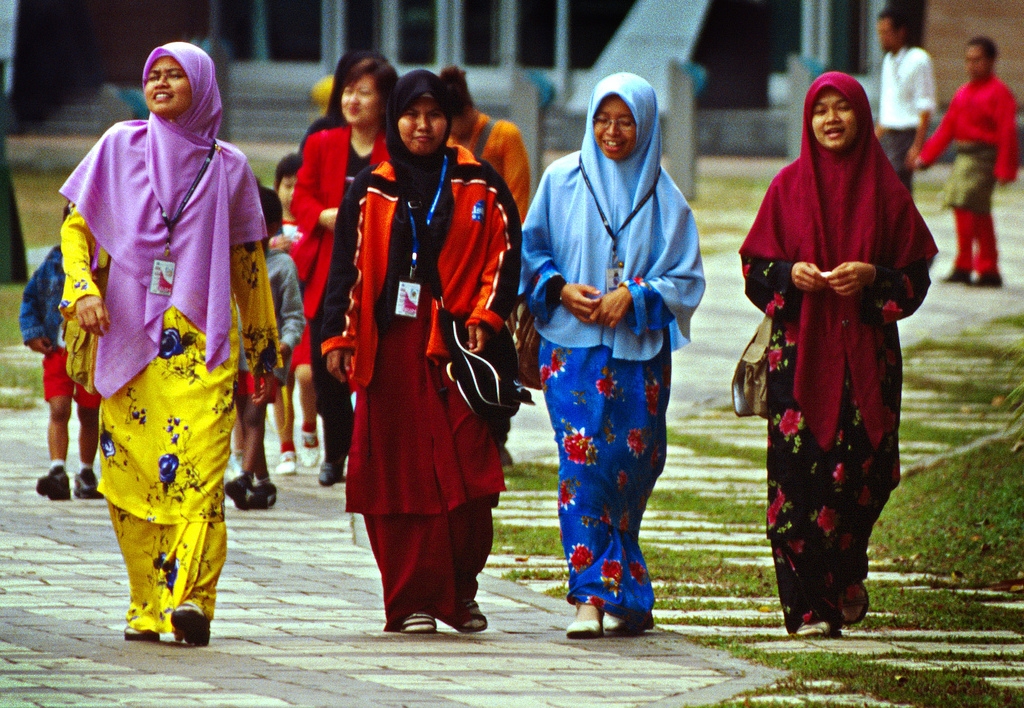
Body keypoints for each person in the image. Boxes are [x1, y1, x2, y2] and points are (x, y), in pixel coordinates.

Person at [59, 42, 278, 646]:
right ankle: (146, 605)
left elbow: (249, 265)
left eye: (174, 76)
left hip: (200, 346)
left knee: (200, 476)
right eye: (152, 74)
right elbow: (77, 230)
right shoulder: (118, 146)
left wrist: (263, 352)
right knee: (130, 480)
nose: (159, 83)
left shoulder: (230, 167)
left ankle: (192, 601)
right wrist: (82, 291)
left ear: (202, 88)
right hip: (125, 338)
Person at [320, 69, 521, 634]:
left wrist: (486, 316)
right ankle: (410, 600)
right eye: (411, 114)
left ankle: (461, 592)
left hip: (459, 348)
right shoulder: (371, 186)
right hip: (390, 351)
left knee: (471, 474)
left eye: (434, 114)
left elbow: (507, 253)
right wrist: (338, 336)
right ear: (396, 118)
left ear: (449, 119)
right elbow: (346, 267)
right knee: (397, 478)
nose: (423, 125)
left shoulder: (479, 180)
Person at [740, 72, 937, 637]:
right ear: (807, 121)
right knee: (795, 480)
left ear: (862, 116)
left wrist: (874, 277)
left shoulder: (888, 191)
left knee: (866, 475)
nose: (831, 119)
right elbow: (755, 270)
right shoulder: (787, 186)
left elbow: (915, 278)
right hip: (800, 358)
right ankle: (806, 607)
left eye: (842, 108)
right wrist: (790, 274)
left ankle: (846, 572)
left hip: (867, 360)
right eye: (819, 109)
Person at [520, 73, 705, 638]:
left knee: (631, 471)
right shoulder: (560, 180)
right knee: (582, 469)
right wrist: (559, 289)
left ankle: (627, 593)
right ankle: (589, 599)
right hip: (570, 353)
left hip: (638, 358)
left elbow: (687, 280)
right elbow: (529, 253)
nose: (612, 132)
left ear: (645, 125)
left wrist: (637, 295)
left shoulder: (666, 198)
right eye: (602, 119)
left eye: (625, 121)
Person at [291, 54, 397, 487]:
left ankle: (375, 454)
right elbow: (300, 196)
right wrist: (324, 215)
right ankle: (335, 453)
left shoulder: (397, 146)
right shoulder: (323, 143)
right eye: (348, 91)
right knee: (325, 367)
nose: (353, 100)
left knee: (380, 365)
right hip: (327, 269)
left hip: (379, 268)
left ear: (384, 100)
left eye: (364, 92)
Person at [225, 185, 304, 508]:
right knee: (243, 415)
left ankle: (244, 476)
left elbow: (294, 316)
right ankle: (264, 483)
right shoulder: (232, 260)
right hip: (236, 356)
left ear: (271, 227)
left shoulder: (282, 266)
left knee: (254, 416)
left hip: (268, 358)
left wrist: (285, 345)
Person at [916, 36, 1018, 287]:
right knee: (963, 208)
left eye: (977, 60)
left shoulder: (999, 92)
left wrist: (1005, 168)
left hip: (984, 159)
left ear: (991, 61)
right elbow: (947, 128)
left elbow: (1007, 132)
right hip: (964, 158)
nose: (972, 65)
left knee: (975, 208)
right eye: (968, 60)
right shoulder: (963, 93)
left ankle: (988, 267)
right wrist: (926, 156)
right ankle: (965, 264)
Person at [20, 218, 102, 501]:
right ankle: (57, 469)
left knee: (90, 412)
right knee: (59, 408)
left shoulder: (105, 261)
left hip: (93, 350)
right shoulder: (54, 262)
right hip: (58, 349)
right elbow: (30, 298)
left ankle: (86, 472)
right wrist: (32, 333)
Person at [266, 153, 320, 475]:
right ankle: (287, 448)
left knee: (306, 375)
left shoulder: (313, 225)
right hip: (276, 314)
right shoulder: (270, 230)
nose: (292, 193)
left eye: (299, 187)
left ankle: (310, 429)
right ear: (277, 187)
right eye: (287, 186)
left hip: (307, 312)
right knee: (279, 381)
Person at [439, 65, 531, 219]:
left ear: (467, 110)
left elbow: (517, 197)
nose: (448, 131)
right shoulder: (446, 142)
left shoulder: (505, 135)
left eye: (451, 124)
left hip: (497, 225)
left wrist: (511, 229)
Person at [874, 7, 936, 193]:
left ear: (901, 32)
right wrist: (874, 137)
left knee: (895, 186)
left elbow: (925, 105)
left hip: (906, 133)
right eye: (880, 33)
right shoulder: (888, 61)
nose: (882, 38)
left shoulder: (918, 59)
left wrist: (917, 145)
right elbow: (889, 104)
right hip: (888, 133)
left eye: (886, 32)